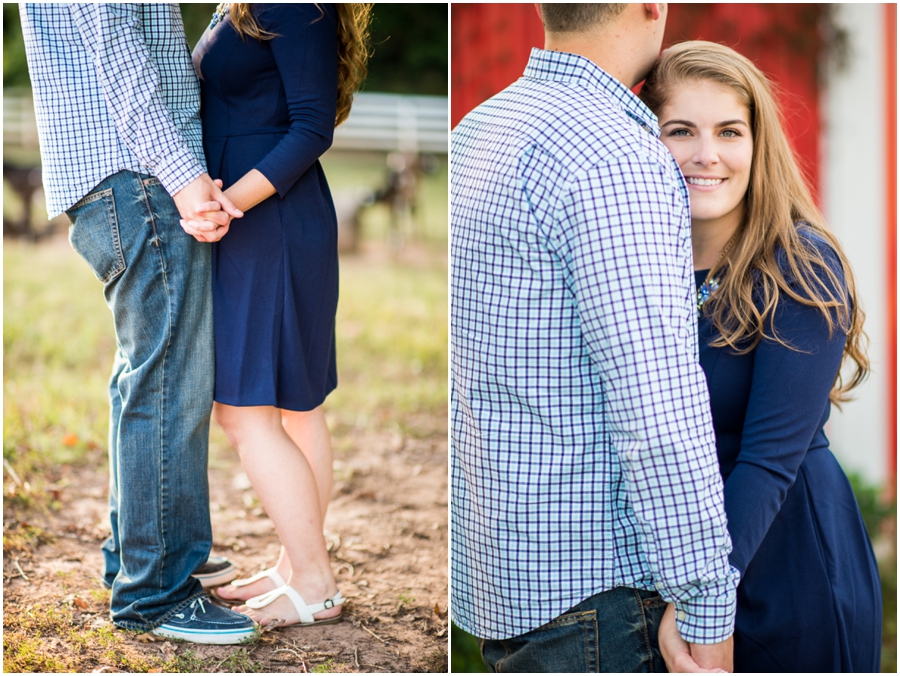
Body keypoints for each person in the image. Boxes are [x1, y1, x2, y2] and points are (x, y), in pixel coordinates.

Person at [451, 5, 740, 673]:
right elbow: (658, 407)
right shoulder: (615, 156)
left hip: (506, 571)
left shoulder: (481, 127)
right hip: (599, 593)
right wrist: (706, 604)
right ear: (650, 6)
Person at [641, 40, 883, 672]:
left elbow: (768, 462)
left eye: (729, 131)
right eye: (680, 131)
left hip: (788, 564)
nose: (707, 155)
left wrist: (701, 600)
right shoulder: (642, 267)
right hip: (684, 566)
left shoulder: (801, 267)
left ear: (757, 144)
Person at [20, 4, 257, 644]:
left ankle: (146, 547)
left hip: (117, 177)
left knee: (146, 372)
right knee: (168, 380)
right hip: (140, 178)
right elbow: (121, 57)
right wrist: (184, 179)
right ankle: (155, 590)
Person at [183, 3, 372, 629]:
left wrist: (227, 204)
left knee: (245, 411)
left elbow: (313, 126)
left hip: (269, 222)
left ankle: (315, 582)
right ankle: (299, 565)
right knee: (295, 406)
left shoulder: (292, 3)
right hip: (261, 221)